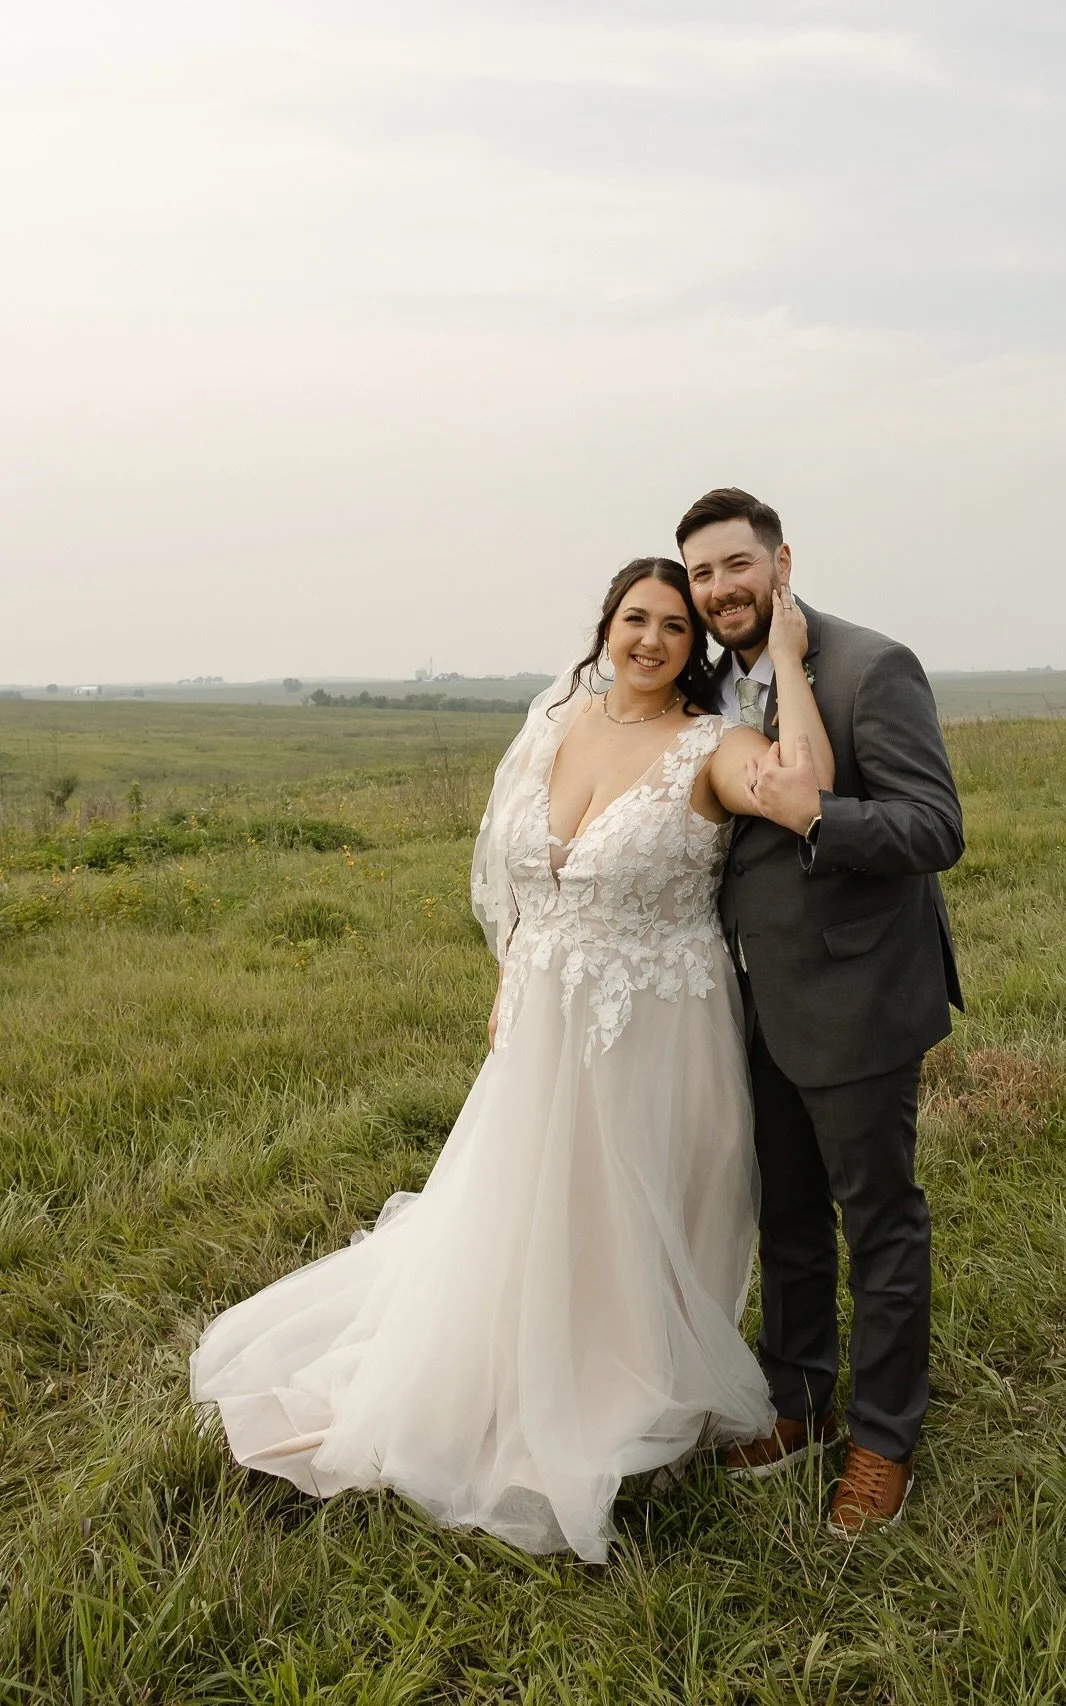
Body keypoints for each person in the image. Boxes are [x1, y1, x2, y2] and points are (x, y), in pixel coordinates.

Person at [190, 556, 835, 1564]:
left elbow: (805, 795)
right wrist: (512, 970)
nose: (653, 638)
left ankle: (607, 1388)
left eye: (676, 625)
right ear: (607, 624)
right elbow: (516, 868)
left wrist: (788, 659)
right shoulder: (556, 723)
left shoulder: (712, 746)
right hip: (542, 1017)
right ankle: (502, 1371)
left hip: (654, 1024)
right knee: (526, 1205)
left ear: (696, 648)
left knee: (624, 1211)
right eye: (636, 617)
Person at [677, 488, 965, 1537]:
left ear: (781, 560)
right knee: (787, 1216)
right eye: (702, 574)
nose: (719, 590)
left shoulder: (869, 665)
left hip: (853, 998)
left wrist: (821, 818)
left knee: (879, 1222)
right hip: (744, 1003)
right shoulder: (703, 685)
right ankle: (797, 1401)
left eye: (734, 565)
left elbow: (935, 826)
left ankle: (883, 1441)